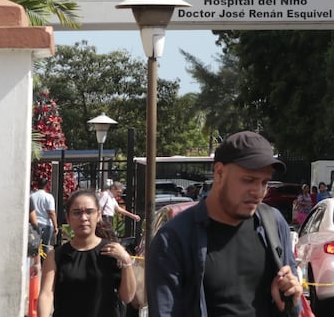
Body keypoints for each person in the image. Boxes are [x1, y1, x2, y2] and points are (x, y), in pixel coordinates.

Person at [146, 130, 303, 317]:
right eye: (248, 180)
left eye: (264, 182)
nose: (258, 191)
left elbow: (292, 307)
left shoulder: (274, 223)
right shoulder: (174, 239)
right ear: (219, 173)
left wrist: (290, 302)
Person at [38, 188, 136, 317]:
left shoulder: (112, 251)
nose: (83, 218)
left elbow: (127, 297)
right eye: (77, 213)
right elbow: (46, 294)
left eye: (89, 212)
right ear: (68, 218)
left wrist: (126, 261)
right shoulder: (57, 256)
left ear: (99, 215)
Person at [30, 176, 57, 255]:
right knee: (45, 246)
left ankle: (35, 261)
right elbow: (51, 213)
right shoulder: (48, 197)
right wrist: (55, 226)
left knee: (34, 245)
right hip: (46, 224)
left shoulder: (32, 196)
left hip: (34, 223)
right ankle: (44, 261)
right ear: (46, 185)